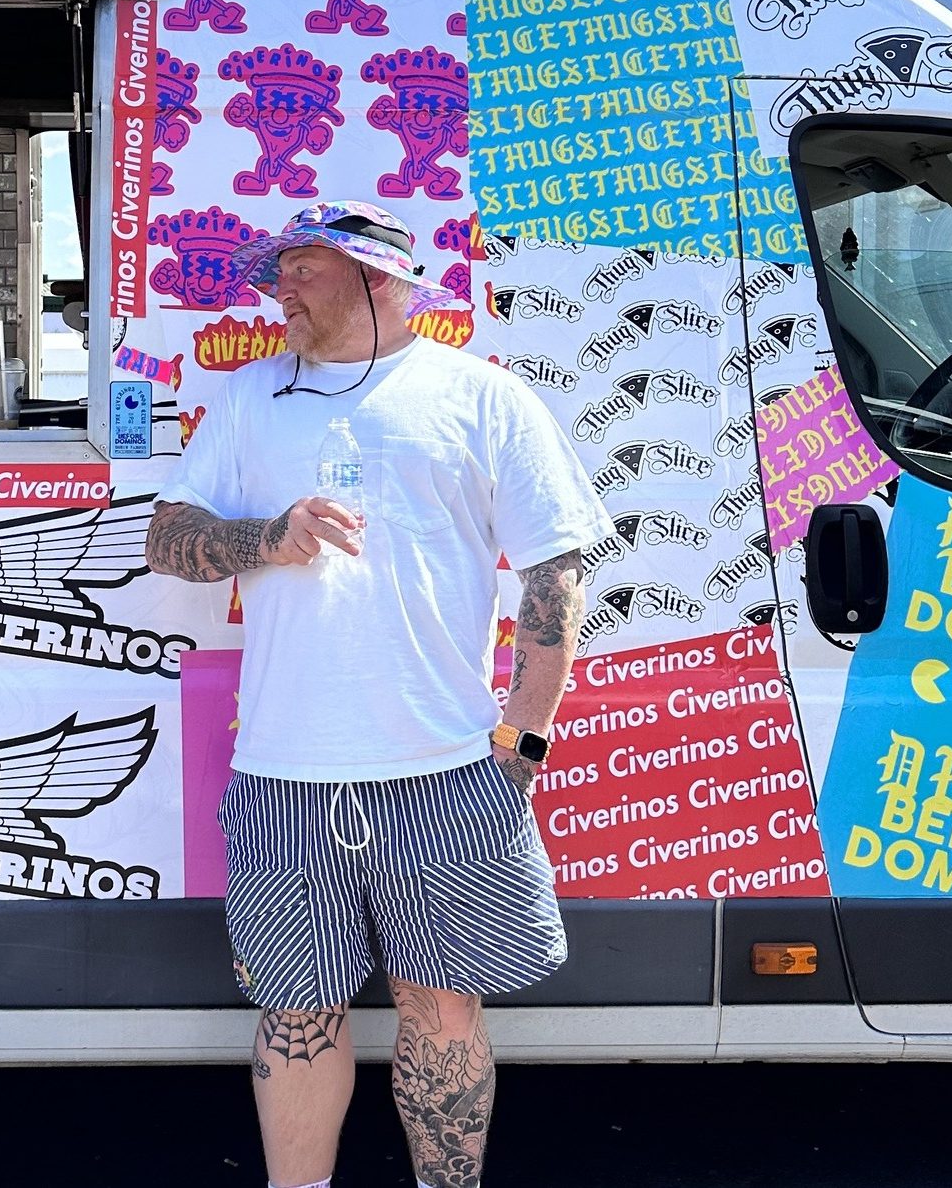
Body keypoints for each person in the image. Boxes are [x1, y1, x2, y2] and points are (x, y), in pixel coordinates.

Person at [147, 201, 613, 1188]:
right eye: (276, 268)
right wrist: (265, 538)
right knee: (296, 1010)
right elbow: (168, 538)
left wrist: (524, 744)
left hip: (446, 769)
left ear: (381, 279)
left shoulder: (481, 396)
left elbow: (554, 577)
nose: (279, 286)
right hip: (285, 770)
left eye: (304, 268)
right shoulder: (247, 400)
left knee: (443, 1005)